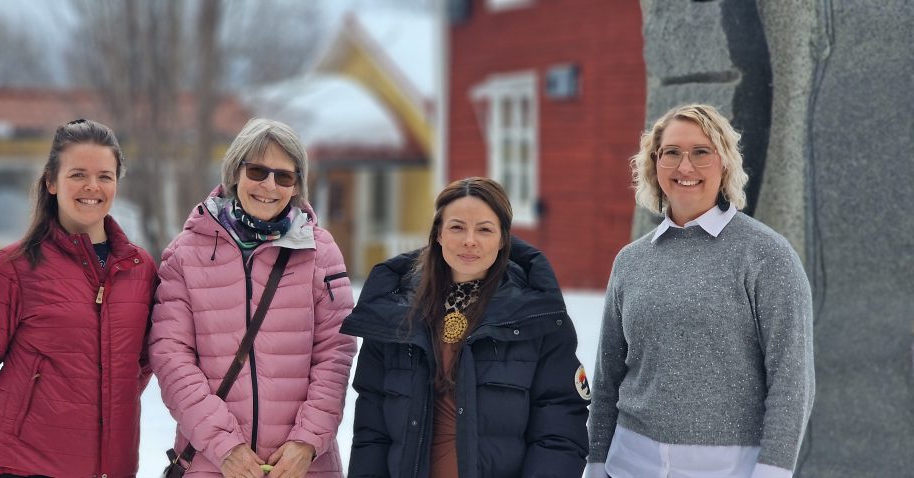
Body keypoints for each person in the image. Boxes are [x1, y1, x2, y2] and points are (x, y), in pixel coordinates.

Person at [586, 104, 815, 478]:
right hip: (626, 465)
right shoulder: (631, 260)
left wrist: (774, 471)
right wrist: (596, 461)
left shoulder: (766, 255)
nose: (685, 167)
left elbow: (792, 379)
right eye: (671, 153)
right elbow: (607, 374)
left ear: (724, 163)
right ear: (654, 164)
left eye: (701, 152)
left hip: (728, 470)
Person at [0, 118, 158, 478]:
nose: (92, 186)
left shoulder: (140, 269)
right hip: (23, 467)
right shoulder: (10, 270)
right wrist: (6, 428)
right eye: (78, 174)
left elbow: (141, 361)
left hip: (112, 467)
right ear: (51, 182)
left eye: (105, 176)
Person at [343, 177, 590, 478]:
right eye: (457, 227)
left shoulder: (536, 315)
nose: (469, 240)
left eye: (484, 229)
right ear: (437, 235)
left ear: (502, 240)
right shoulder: (394, 312)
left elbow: (560, 425)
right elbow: (373, 428)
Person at [150, 118, 356, 478]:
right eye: (257, 171)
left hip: (301, 467)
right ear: (235, 172)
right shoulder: (186, 252)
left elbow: (335, 353)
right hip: (213, 464)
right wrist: (224, 446)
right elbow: (171, 357)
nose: (269, 186)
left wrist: (306, 442)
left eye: (284, 176)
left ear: (297, 186)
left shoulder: (320, 252)